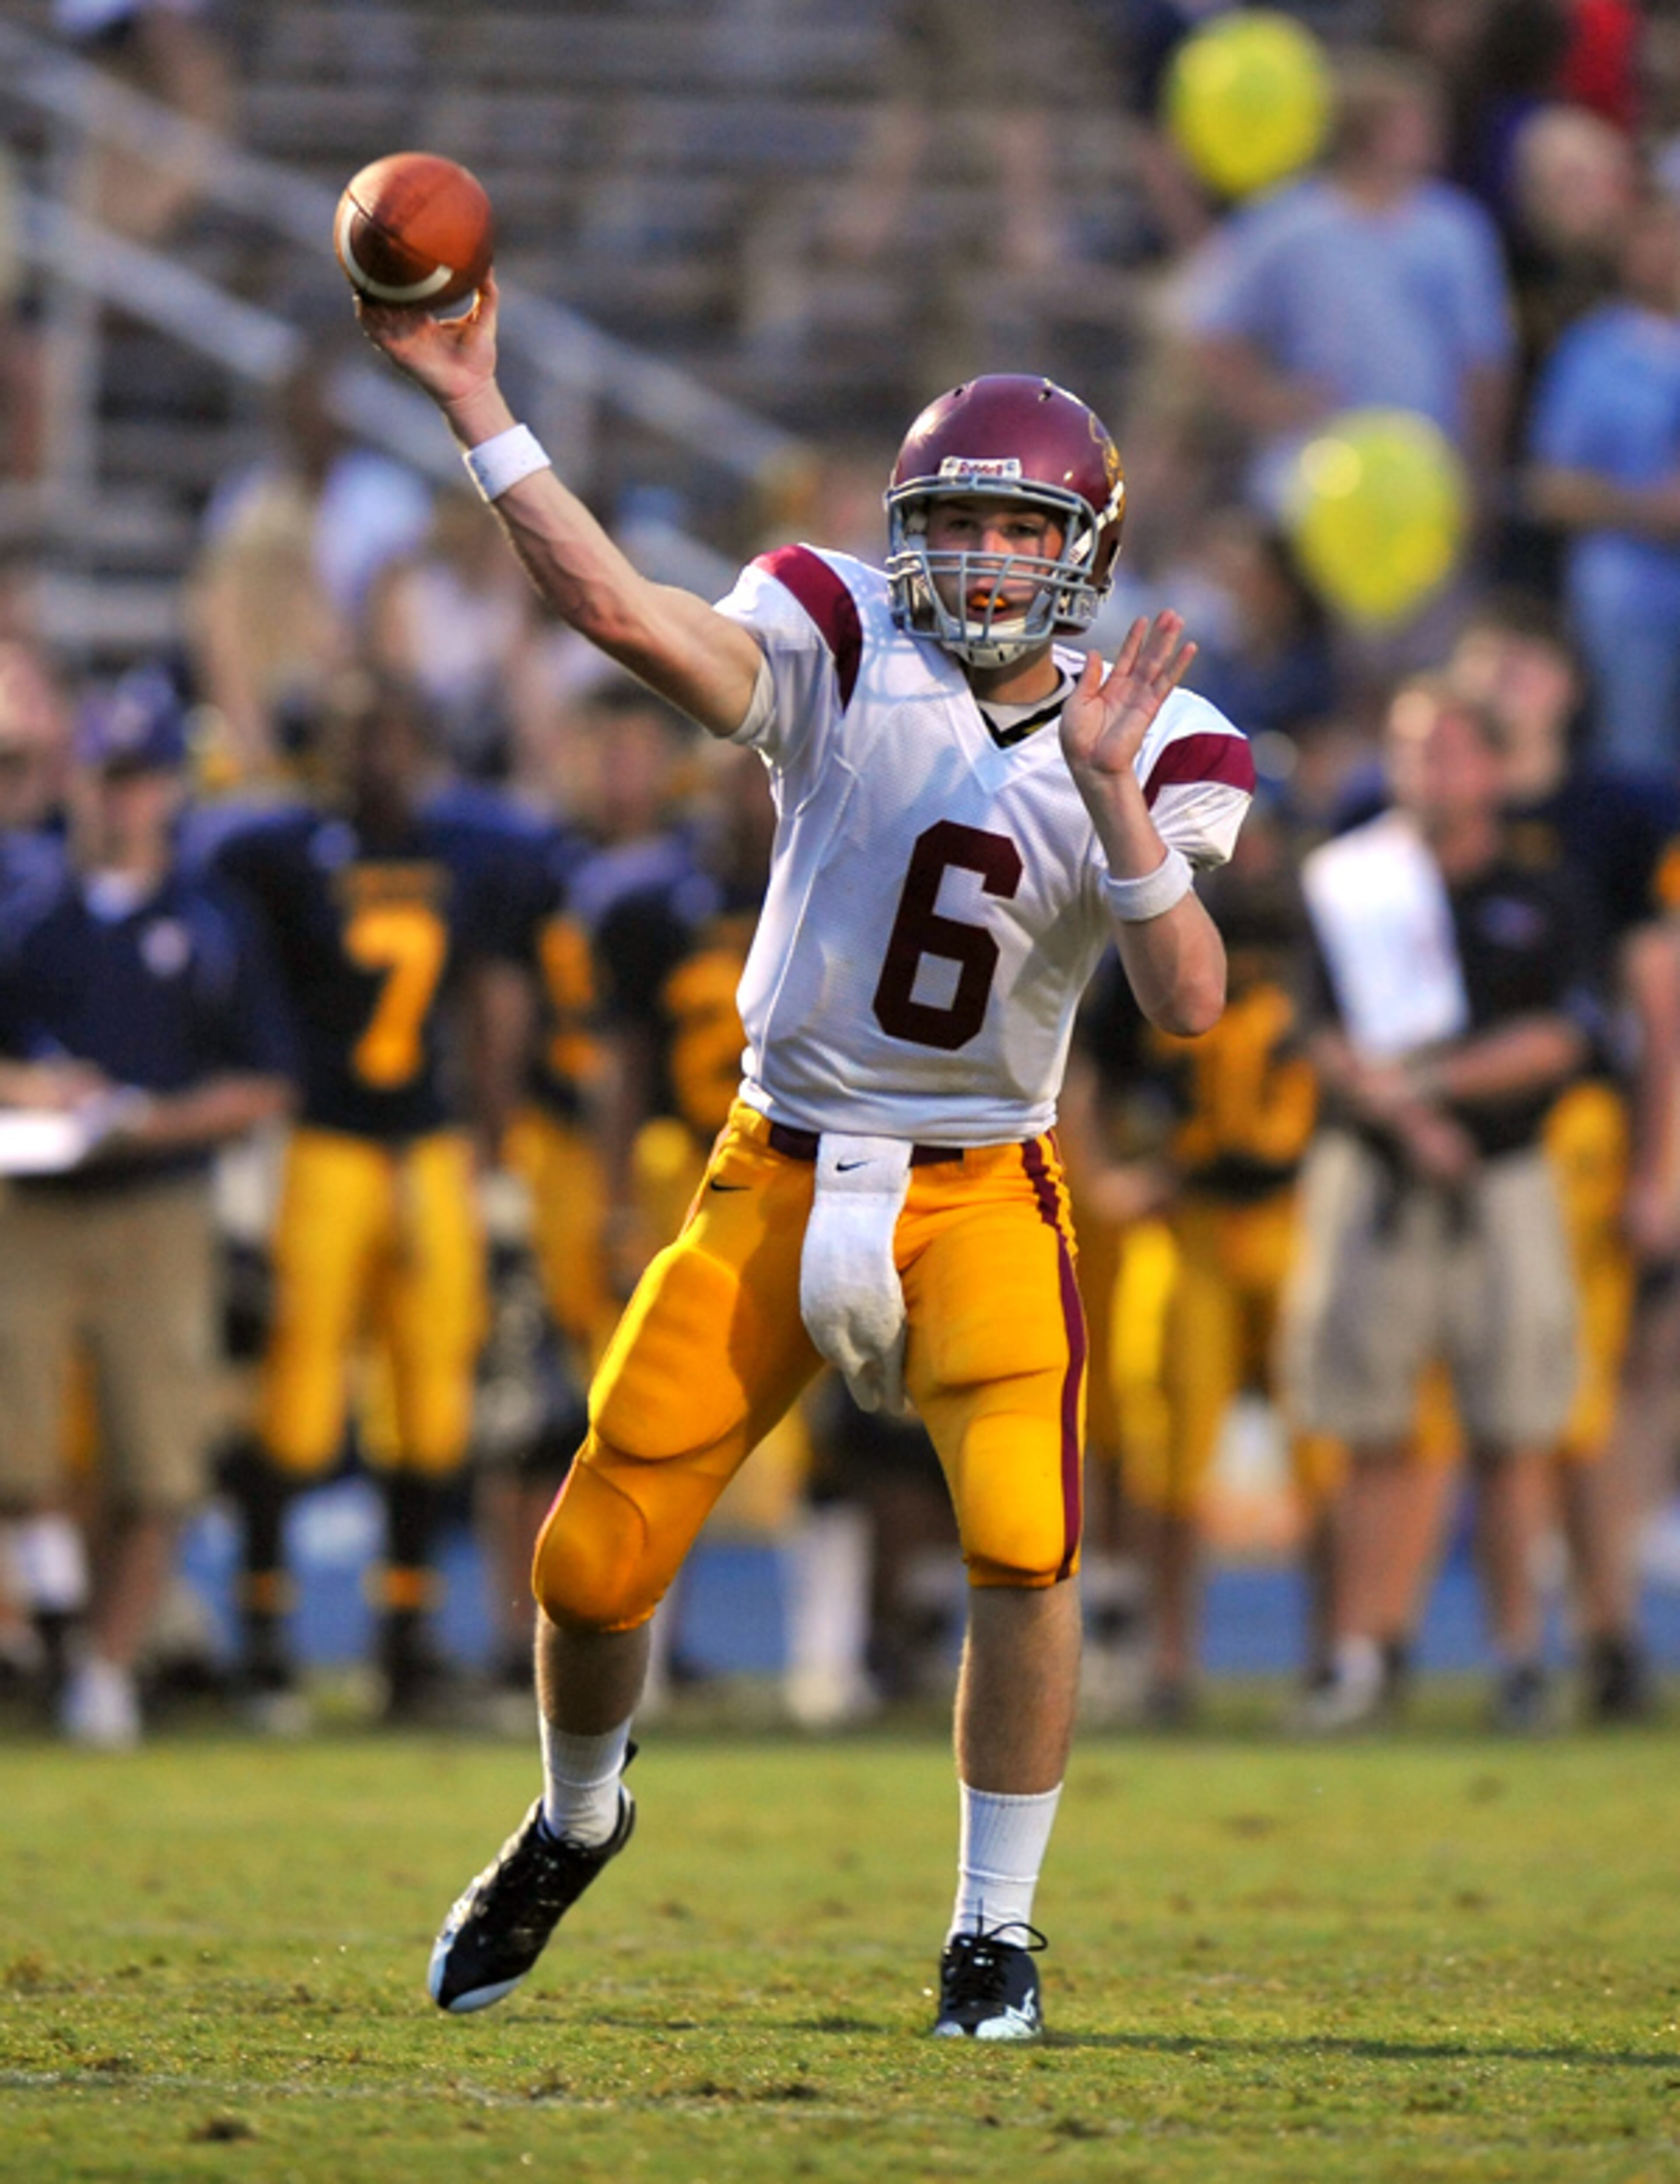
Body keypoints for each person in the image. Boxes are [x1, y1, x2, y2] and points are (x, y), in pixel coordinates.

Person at [358, 273, 1252, 2041]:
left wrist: (1110, 796)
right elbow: (620, 615)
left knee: (1023, 1547)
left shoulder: (1156, 731)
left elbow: (1192, 1003)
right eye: (961, 523)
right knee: (591, 1566)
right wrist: (478, 406)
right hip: (774, 1165)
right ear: (909, 533)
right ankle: (575, 1818)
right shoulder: (834, 629)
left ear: (1083, 549)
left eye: (1022, 526)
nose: (989, 558)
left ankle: (995, 1929)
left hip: (985, 1182)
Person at [199, 672, 546, 1726]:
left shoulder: (467, 853)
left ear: (426, 748)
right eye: (360, 739)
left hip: (427, 1142)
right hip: (322, 1143)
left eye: (396, 738)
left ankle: (409, 1641)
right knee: (296, 1404)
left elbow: (492, 996)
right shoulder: (278, 853)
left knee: (434, 1406)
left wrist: (495, 1151)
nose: (378, 758)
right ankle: (263, 1638)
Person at [1281, 676, 1594, 1733]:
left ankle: (1518, 1657)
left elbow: (1565, 1035)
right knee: (1368, 1430)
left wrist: (1433, 1091)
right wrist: (1412, 1118)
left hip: (1504, 1177)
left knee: (1515, 1429)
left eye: (1453, 750)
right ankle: (1365, 1654)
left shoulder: (1541, 893)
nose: (1431, 770)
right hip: (1375, 1174)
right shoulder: (1354, 880)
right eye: (1413, 748)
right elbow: (1319, 1034)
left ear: (1497, 769)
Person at [0, 665, 296, 1747]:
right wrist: (36, 1091)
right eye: (108, 775)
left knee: (161, 1451)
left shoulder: (212, 919)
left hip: (161, 1201)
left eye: (141, 778)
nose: (122, 800)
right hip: (32, 1190)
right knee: (17, 1445)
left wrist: (148, 1122)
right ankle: (59, 1625)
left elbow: (265, 1081)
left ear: (171, 785)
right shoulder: (26, 903)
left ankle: (103, 1668)